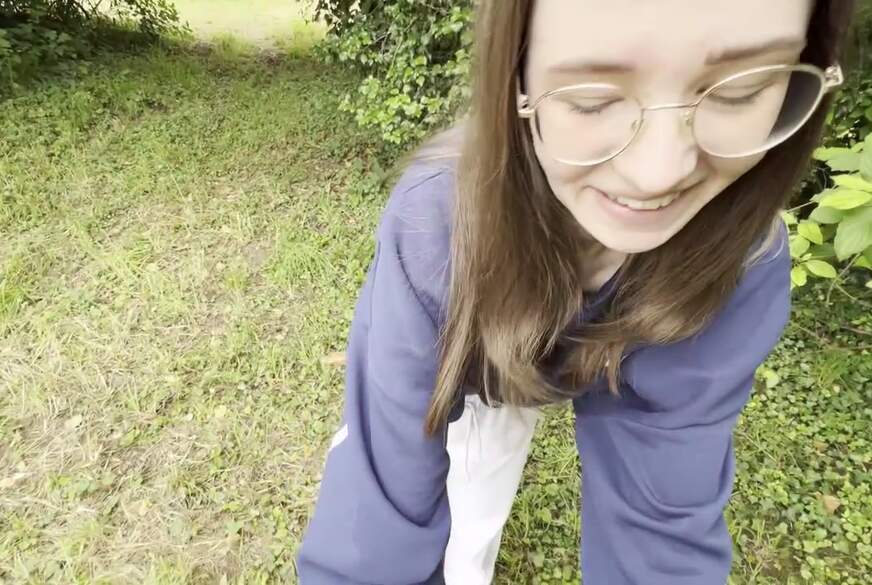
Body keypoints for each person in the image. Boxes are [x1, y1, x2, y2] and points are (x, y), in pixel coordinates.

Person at [296, 0, 855, 583]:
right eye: (590, 99)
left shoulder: (742, 258)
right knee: (471, 490)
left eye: (742, 91)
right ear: (515, 82)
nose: (658, 174)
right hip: (480, 364)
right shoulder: (437, 219)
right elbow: (377, 504)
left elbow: (660, 528)